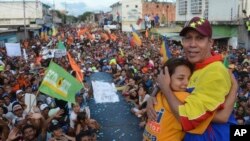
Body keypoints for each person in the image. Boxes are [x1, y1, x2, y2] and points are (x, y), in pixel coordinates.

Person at [146, 17, 238, 141]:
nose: (192, 44)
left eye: (199, 38)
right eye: (188, 38)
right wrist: (153, 95)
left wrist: (166, 90)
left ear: (210, 42)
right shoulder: (192, 64)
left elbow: (189, 118)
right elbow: (165, 80)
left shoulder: (215, 72)